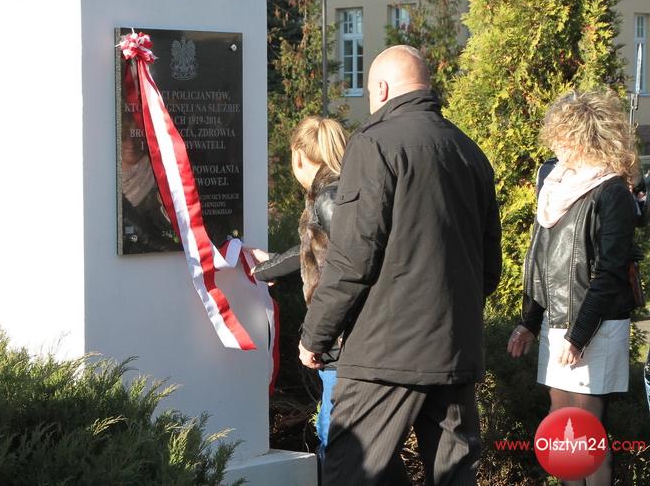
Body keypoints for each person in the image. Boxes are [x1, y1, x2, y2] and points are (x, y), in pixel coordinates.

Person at [298, 45, 502, 485]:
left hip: (384, 353)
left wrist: (315, 334)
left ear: (383, 88)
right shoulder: (469, 152)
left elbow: (353, 257)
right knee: (454, 478)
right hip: (454, 350)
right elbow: (489, 268)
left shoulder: (374, 144)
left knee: (349, 472)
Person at [508, 90, 640, 486]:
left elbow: (610, 272)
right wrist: (529, 321)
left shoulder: (612, 191)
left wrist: (579, 336)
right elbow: (540, 260)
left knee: (586, 430)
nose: (557, 146)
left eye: (565, 137)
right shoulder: (553, 186)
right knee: (561, 429)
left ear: (586, 137)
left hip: (596, 325)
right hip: (557, 323)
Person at [250, 115, 348, 460]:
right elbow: (313, 250)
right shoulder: (339, 188)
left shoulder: (330, 197)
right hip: (345, 342)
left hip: (342, 344)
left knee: (335, 439)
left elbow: (343, 271)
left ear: (300, 157)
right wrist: (268, 267)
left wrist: (316, 338)